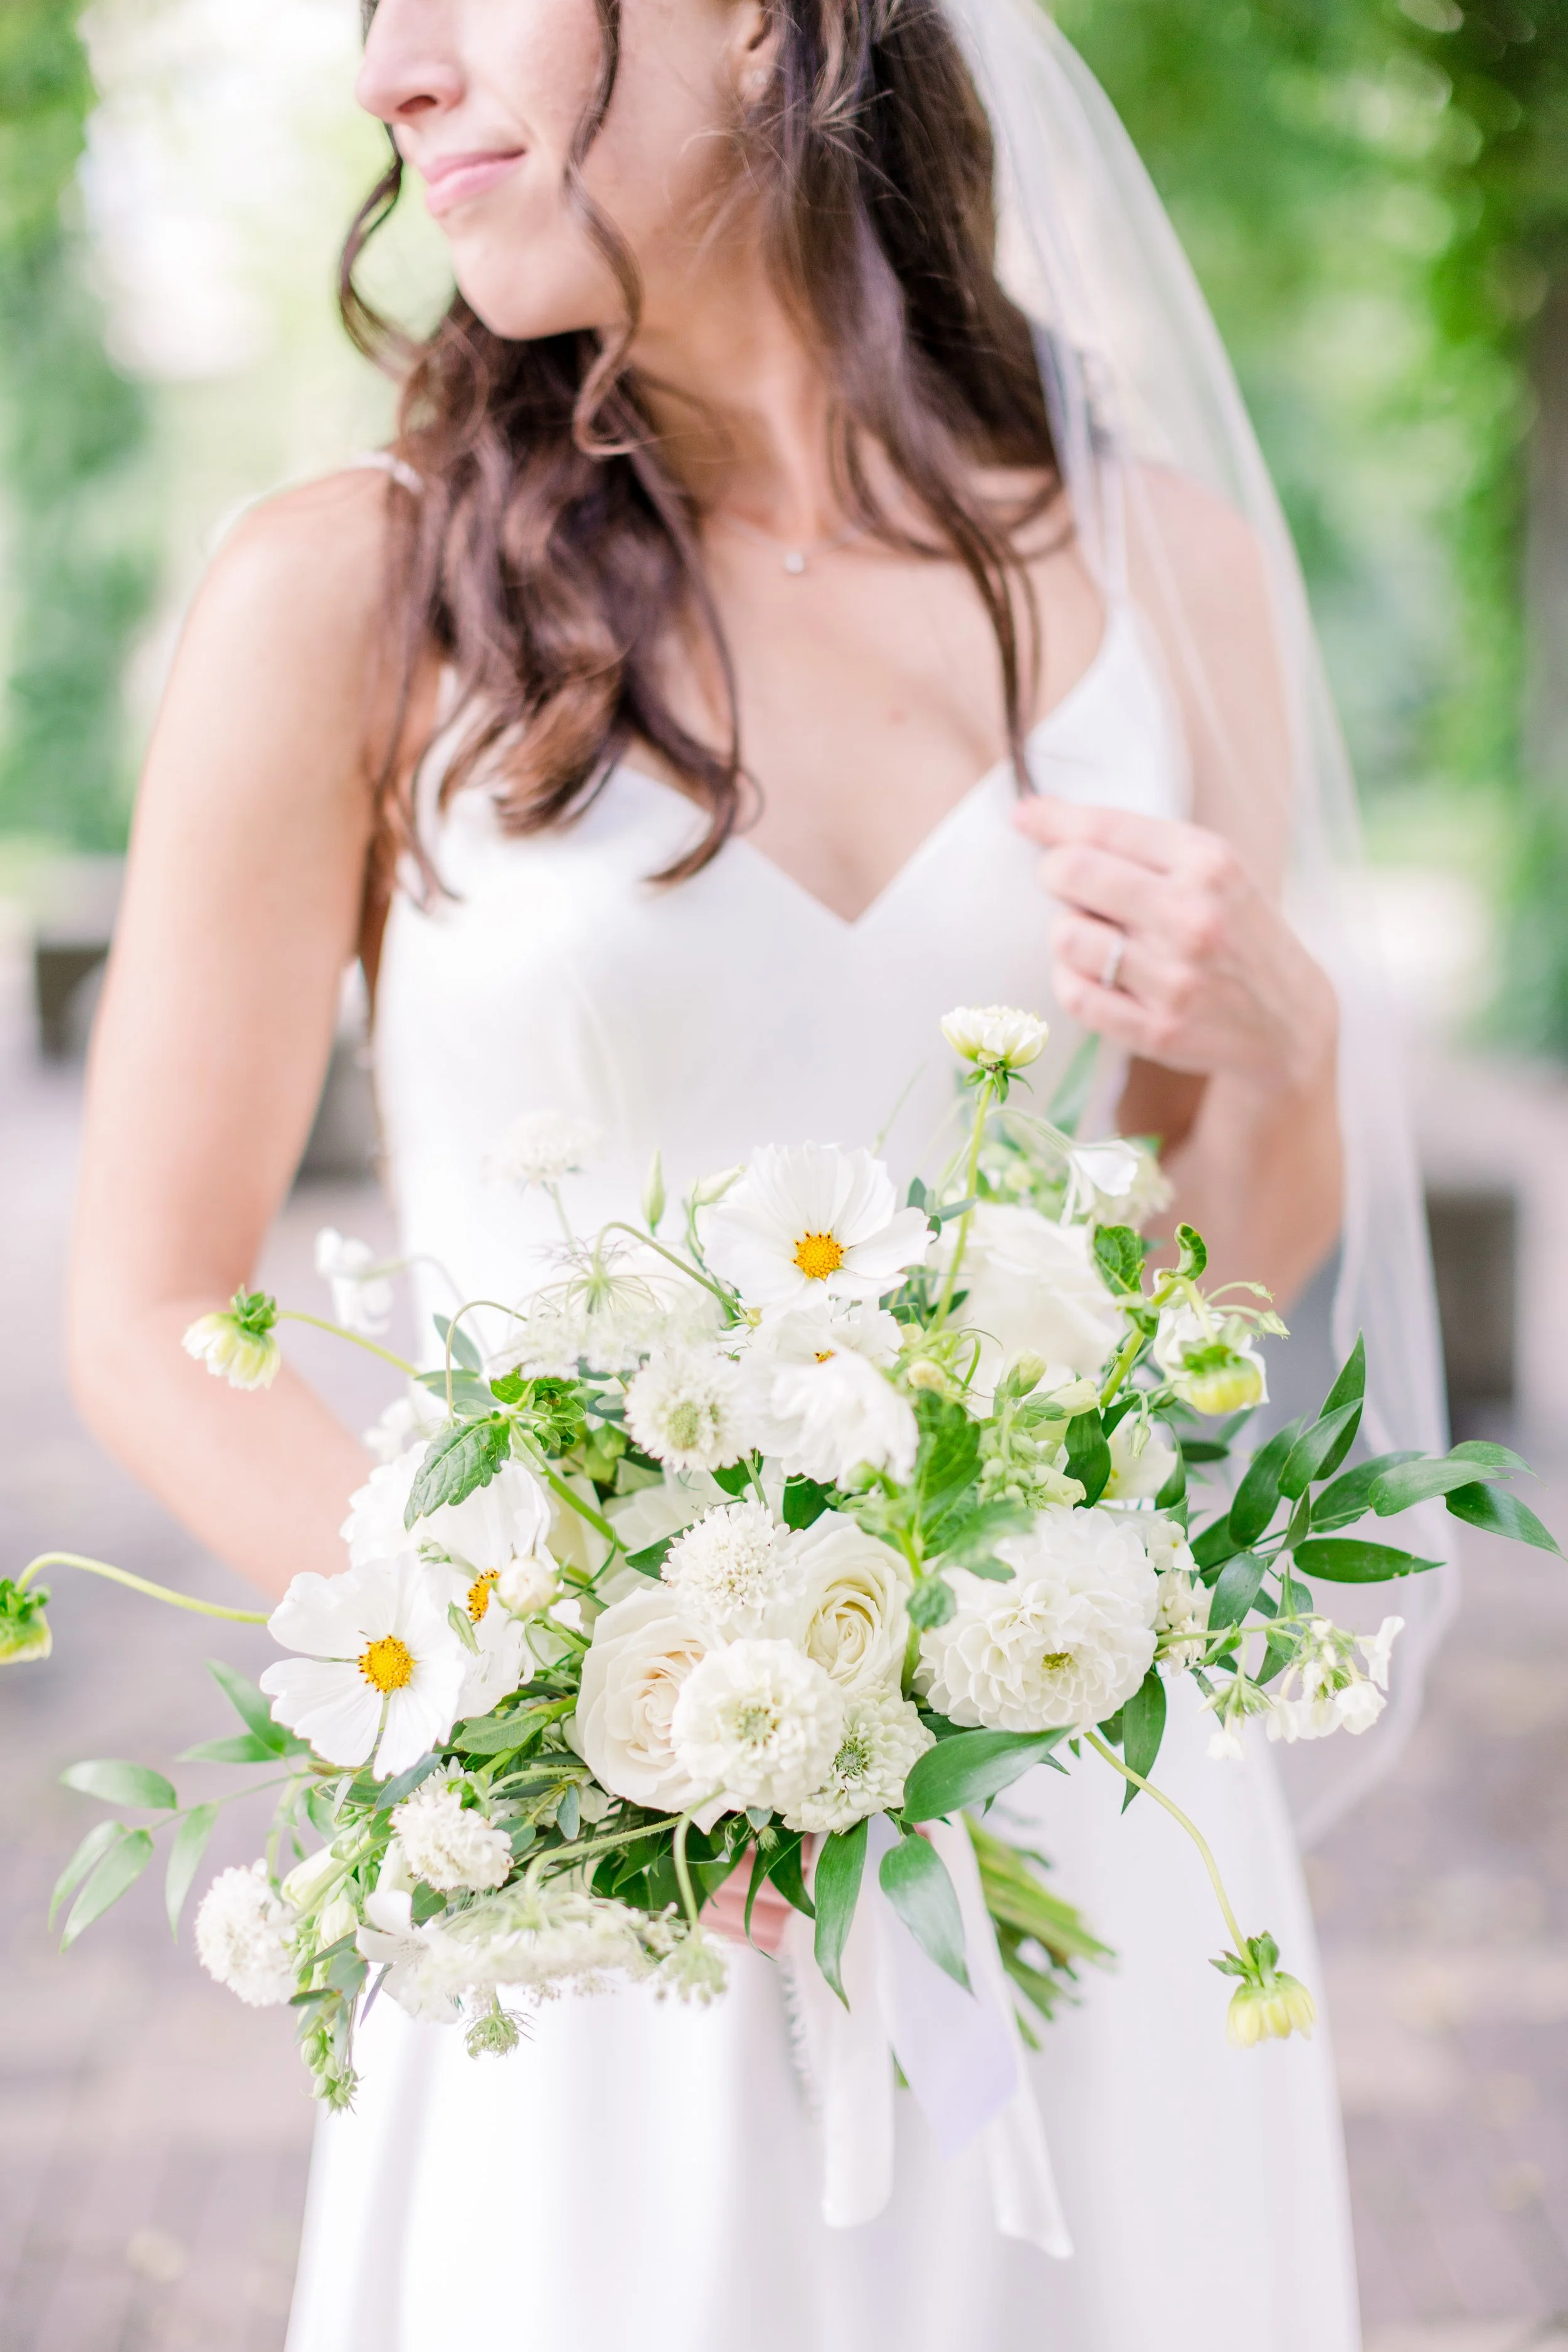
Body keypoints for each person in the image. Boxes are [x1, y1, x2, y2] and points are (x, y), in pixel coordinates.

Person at [66, 3, 1419, 2345]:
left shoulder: (1162, 570)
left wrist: (1287, 1038)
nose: (387, 71)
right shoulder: (347, 592)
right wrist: (572, 1701)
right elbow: (156, 1299)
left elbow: (1210, 1258)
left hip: (1056, 1806)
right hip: (601, 1883)